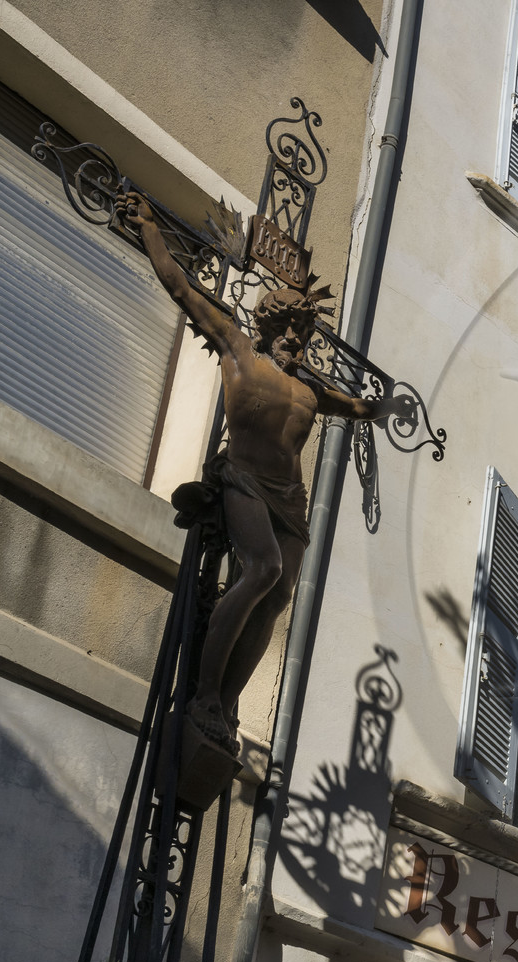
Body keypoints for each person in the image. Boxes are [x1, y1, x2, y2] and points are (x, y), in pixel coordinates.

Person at [117, 191, 408, 753]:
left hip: (290, 502)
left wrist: (386, 408)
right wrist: (152, 228)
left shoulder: (309, 390)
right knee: (262, 570)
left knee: (275, 599)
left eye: (304, 329)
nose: (298, 337)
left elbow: (358, 408)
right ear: (268, 325)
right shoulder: (239, 351)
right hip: (243, 479)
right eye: (290, 327)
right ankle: (203, 693)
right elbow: (182, 287)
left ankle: (225, 706)